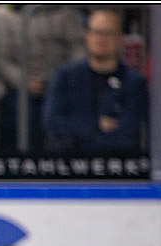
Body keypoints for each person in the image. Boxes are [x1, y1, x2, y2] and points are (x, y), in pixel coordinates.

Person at [42, 9, 148, 154]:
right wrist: (97, 126)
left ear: (120, 39)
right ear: (87, 36)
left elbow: (127, 132)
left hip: (116, 165)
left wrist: (79, 135)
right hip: (69, 163)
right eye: (96, 32)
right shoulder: (65, 75)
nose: (101, 39)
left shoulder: (134, 82)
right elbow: (52, 122)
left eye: (108, 33)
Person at [0, 4, 86, 152]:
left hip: (62, 84)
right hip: (19, 86)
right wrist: (25, 81)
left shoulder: (68, 13)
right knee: (22, 113)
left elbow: (79, 51)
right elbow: (2, 60)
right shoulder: (3, 14)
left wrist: (61, 80)